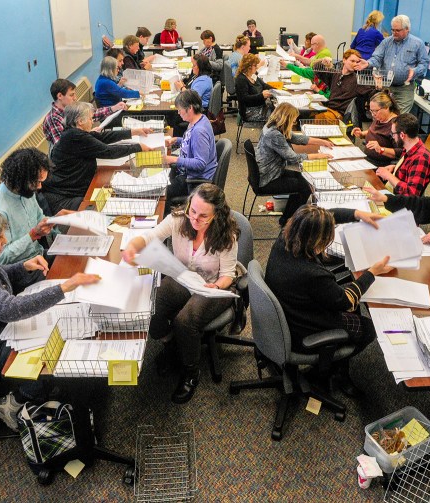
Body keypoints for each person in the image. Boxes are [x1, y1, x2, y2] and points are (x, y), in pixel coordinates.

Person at [0, 210, 100, 430]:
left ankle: (58, 390)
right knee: (49, 353)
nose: (4, 241)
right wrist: (64, 288)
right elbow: (10, 310)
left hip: (0, 330)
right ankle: (13, 401)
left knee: (57, 337)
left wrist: (22, 266)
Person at [122, 184, 239, 404]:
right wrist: (132, 247)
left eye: (203, 215)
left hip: (214, 286)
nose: (195, 218)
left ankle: (191, 373)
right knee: (151, 307)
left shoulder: (226, 235)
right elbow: (150, 236)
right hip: (184, 278)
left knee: (185, 321)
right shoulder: (178, 220)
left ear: (217, 215)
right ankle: (171, 343)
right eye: (192, 211)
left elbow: (228, 275)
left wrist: (217, 287)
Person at [264, 205, 393, 394]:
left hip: (287, 309)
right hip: (302, 328)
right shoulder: (312, 274)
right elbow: (346, 301)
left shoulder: (286, 236)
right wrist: (372, 272)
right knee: (368, 329)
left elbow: (324, 215)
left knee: (352, 307)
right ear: (316, 240)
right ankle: (327, 371)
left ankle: (337, 366)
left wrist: (357, 214)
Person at [41, 102, 152, 213]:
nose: (92, 122)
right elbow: (108, 152)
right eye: (90, 119)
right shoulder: (75, 136)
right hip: (64, 196)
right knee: (99, 209)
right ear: (80, 121)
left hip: (73, 189)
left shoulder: (72, 132)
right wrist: (138, 147)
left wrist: (134, 132)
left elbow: (102, 137)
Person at [255, 103, 332, 226]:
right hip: (268, 177)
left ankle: (287, 217)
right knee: (305, 187)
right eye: (294, 120)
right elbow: (293, 158)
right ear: (287, 119)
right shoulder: (274, 134)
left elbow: (296, 138)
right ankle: (290, 221)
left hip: (268, 170)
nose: (295, 122)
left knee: (305, 180)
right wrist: (317, 156)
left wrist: (321, 141)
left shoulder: (273, 126)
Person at [0, 148, 62, 264]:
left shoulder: (25, 191)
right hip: (20, 268)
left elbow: (39, 218)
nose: (39, 187)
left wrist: (57, 220)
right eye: (37, 182)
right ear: (21, 180)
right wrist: (33, 235)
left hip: (38, 255)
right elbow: (0, 258)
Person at [357, 14, 429, 114]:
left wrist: (415, 71)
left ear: (407, 29)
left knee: (399, 119)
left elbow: (424, 63)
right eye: (393, 30)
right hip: (386, 87)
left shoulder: (417, 44)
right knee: (382, 117)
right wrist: (368, 63)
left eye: (397, 30)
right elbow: (377, 58)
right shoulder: (386, 42)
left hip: (404, 89)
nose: (394, 33)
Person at [283, 49, 378, 121]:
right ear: (344, 60)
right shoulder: (335, 74)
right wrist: (323, 61)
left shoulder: (357, 80)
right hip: (327, 108)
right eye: (352, 61)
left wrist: (378, 87)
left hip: (338, 114)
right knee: (295, 114)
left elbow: (372, 95)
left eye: (357, 62)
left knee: (308, 119)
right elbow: (317, 70)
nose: (354, 64)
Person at [163, 90, 217, 214]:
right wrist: (177, 140)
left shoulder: (199, 131)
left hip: (195, 181)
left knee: (163, 191)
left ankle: (168, 227)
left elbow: (200, 163)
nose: (178, 112)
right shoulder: (199, 120)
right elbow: (192, 142)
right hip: (189, 174)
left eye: (180, 109)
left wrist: (175, 159)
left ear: (190, 108)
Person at [42, 78, 127, 147]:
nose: (75, 98)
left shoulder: (70, 109)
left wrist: (114, 108)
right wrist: (88, 134)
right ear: (60, 96)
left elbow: (93, 114)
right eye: (71, 95)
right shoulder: (53, 118)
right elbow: (64, 146)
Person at [376, 113, 430, 196]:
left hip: (404, 204)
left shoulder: (421, 158)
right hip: (395, 195)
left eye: (393, 134)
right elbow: (408, 169)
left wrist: (388, 176)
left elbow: (411, 194)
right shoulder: (409, 147)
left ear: (402, 135)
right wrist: (395, 168)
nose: (393, 137)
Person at [351, 91, 401, 166]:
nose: (373, 114)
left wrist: (380, 149)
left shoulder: (395, 125)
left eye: (376, 111)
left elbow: (401, 152)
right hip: (367, 160)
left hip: (381, 165)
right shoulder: (379, 118)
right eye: (371, 110)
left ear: (386, 107)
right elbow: (376, 131)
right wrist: (361, 133)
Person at [235, 53, 274, 122]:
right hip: (249, 112)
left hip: (260, 107)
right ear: (248, 67)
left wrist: (276, 90)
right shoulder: (241, 79)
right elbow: (245, 98)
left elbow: (264, 85)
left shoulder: (252, 75)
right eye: (255, 65)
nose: (257, 67)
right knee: (278, 117)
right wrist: (262, 95)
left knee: (279, 111)